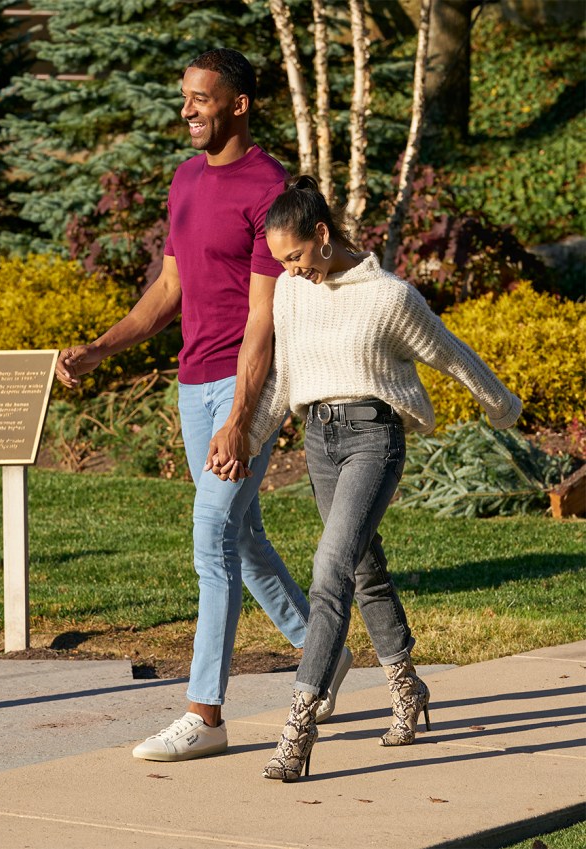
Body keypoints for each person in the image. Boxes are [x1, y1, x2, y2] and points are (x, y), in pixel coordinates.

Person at [55, 52, 352, 762]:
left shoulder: (269, 186)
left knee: (212, 538)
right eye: (183, 97)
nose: (186, 109)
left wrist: (240, 413)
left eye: (200, 98)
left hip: (244, 381)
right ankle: (323, 651)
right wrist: (102, 347)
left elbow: (263, 315)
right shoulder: (186, 179)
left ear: (239, 104)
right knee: (240, 536)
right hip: (193, 382)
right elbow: (169, 287)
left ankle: (205, 713)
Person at [215, 175, 522, 782]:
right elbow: (283, 380)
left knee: (330, 572)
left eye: (296, 256)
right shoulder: (291, 295)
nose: (291, 270)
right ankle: (408, 688)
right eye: (281, 261)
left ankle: (298, 728)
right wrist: (245, 443)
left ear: (323, 235)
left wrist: (503, 407)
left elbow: (450, 353)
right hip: (319, 442)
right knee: (362, 567)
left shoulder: (389, 298)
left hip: (374, 441)